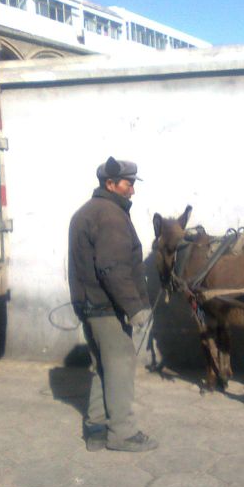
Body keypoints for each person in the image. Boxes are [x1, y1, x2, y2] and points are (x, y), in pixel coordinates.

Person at [68, 156, 157, 452]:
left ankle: (95, 430)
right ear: (110, 184)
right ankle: (123, 433)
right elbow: (112, 268)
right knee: (120, 367)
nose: (132, 190)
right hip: (108, 308)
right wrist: (135, 308)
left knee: (101, 367)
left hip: (90, 306)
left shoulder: (86, 212)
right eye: (128, 184)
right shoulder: (110, 216)